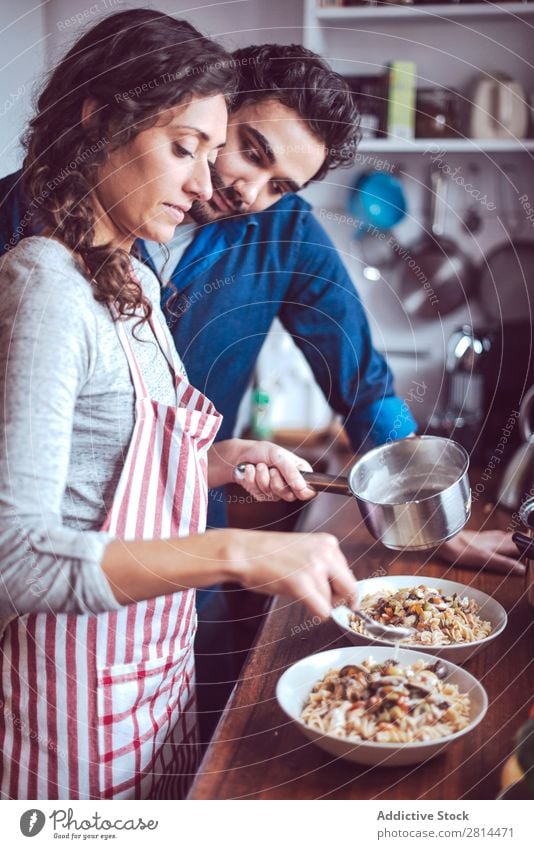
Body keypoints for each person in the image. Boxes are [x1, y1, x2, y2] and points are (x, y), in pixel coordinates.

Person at [0, 9, 360, 800]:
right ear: (104, 122)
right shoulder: (44, 283)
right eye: (186, 150)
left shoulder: (131, 277)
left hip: (146, 684)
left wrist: (219, 462)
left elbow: (102, 462)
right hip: (73, 702)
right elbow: (16, 555)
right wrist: (239, 551)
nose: (212, 187)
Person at [0, 41, 523, 577]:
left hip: (187, 524)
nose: (250, 193)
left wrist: (421, 505)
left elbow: (361, 378)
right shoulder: (20, 220)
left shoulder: (286, 231)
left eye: (280, 185)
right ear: (218, 107)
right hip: (44, 547)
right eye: (251, 151)